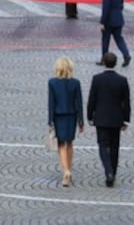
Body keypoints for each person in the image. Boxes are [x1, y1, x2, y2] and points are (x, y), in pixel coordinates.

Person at [87, 52, 131, 187]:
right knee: (114, 146)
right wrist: (126, 119)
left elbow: (92, 99)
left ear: (104, 63)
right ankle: (114, 171)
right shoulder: (122, 80)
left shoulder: (97, 79)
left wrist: (89, 116)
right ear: (116, 63)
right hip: (116, 119)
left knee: (102, 145)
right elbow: (126, 102)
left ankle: (108, 171)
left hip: (101, 118)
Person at [47, 56, 84, 187]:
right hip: (72, 116)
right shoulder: (75, 82)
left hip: (59, 116)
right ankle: (69, 167)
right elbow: (79, 103)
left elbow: (51, 103)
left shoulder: (52, 82)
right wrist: (81, 121)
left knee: (61, 144)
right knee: (70, 142)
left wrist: (50, 121)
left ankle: (66, 171)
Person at [98, 0, 131, 67]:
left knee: (105, 40)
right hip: (119, 19)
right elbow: (121, 5)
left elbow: (106, 9)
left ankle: (104, 59)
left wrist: (102, 22)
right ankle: (126, 55)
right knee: (119, 39)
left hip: (109, 21)